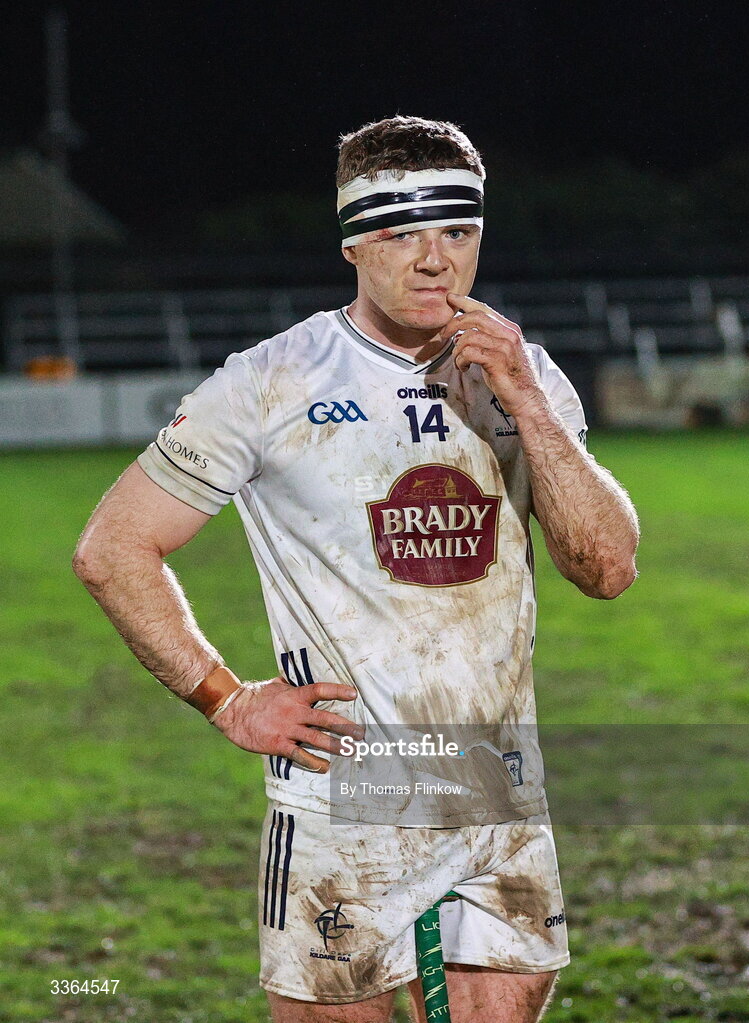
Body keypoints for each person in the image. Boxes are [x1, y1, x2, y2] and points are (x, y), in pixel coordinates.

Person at [73, 115, 639, 1023]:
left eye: (456, 232)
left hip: (496, 790)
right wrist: (224, 696)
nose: (434, 260)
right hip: (348, 796)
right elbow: (112, 548)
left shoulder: (522, 376)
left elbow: (607, 567)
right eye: (402, 232)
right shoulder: (270, 382)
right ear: (353, 242)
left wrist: (528, 404)